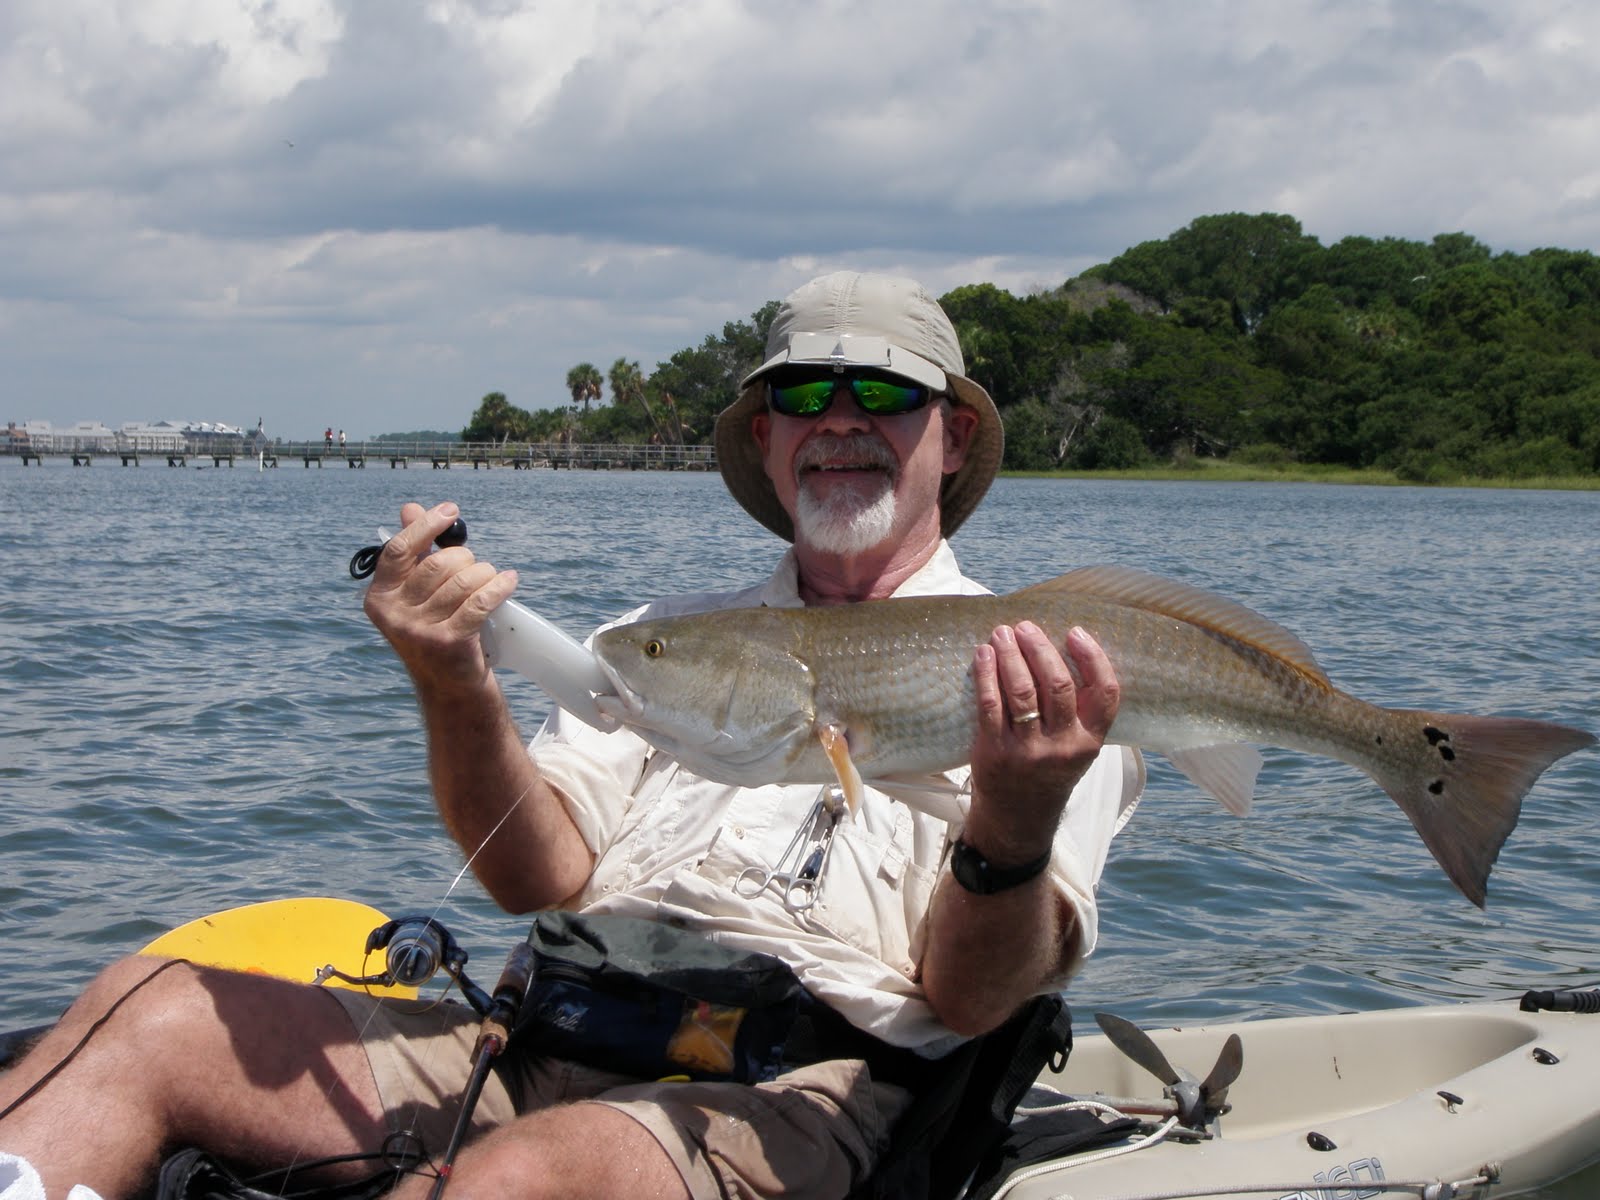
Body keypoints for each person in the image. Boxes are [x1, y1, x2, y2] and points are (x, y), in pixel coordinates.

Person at [0, 272, 1141, 1200]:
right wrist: (453, 680)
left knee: (534, 1174)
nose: (838, 421)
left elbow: (977, 1006)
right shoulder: (655, 640)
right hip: (534, 1042)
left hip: (794, 1100)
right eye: (801, 396)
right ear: (765, 435)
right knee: (138, 1007)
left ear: (950, 435)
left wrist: (1015, 814)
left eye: (878, 395)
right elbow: (531, 873)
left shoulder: (1050, 680)